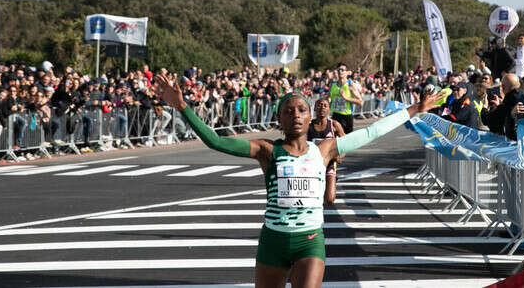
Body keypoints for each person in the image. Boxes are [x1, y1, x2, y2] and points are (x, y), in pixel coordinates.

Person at [155, 74, 445, 288]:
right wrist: (182, 107)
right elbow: (216, 141)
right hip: (273, 242)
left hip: (310, 243)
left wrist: (415, 109)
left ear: (309, 118)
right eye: (288, 111)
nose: (295, 115)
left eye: (301, 110)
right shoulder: (267, 150)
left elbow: (373, 132)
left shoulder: (325, 149)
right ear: (279, 119)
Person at [307, 97, 345, 205]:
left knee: (329, 199)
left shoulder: (334, 125)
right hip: (312, 165)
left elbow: (346, 144)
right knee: (313, 198)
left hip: (329, 164)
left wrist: (340, 156)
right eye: (319, 105)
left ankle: (331, 181)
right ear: (314, 108)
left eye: (325, 105)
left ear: (329, 109)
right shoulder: (308, 126)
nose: (322, 108)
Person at [328, 65, 363, 133]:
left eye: (342, 70)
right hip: (335, 115)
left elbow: (361, 102)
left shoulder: (350, 85)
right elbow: (328, 98)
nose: (340, 71)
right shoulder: (333, 85)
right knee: (335, 139)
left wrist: (346, 98)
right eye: (339, 70)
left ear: (347, 72)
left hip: (346, 116)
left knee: (346, 139)